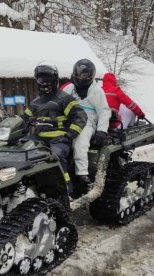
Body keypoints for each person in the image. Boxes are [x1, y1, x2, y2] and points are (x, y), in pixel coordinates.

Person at [21, 64, 87, 191]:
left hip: (60, 139)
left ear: (55, 80)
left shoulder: (64, 99)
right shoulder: (36, 102)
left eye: (48, 79)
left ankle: (66, 189)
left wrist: (68, 136)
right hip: (40, 138)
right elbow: (24, 118)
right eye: (41, 79)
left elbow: (80, 117)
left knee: (55, 155)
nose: (44, 83)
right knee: (19, 149)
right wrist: (11, 122)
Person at [61, 59, 111, 194]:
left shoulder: (96, 91)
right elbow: (59, 103)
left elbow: (104, 111)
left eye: (88, 74)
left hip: (87, 122)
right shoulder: (68, 89)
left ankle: (81, 175)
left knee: (79, 142)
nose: (85, 77)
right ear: (75, 73)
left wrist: (101, 131)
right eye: (82, 74)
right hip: (67, 120)